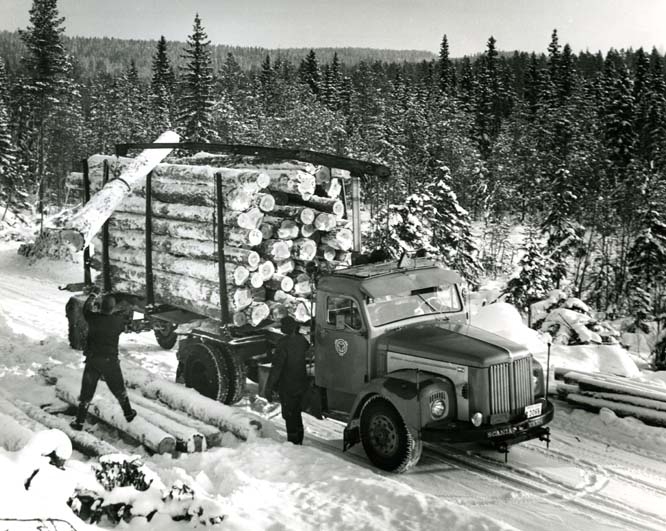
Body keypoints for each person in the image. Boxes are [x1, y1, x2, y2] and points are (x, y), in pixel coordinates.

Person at [70, 293, 136, 431]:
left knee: (87, 392)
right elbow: (126, 318)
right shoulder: (117, 322)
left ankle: (79, 422)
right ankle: (128, 413)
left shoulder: (93, 318)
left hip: (93, 360)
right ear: (112, 308)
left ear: (100, 307)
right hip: (110, 361)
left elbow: (85, 309)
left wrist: (92, 296)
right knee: (119, 389)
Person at [265, 316, 310, 445]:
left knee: (289, 415)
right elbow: (308, 352)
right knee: (296, 413)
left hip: (288, 385)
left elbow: (277, 368)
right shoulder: (302, 340)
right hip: (301, 382)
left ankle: (293, 443)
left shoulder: (283, 343)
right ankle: (299, 439)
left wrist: (269, 387)